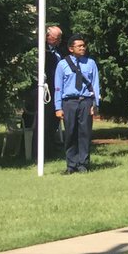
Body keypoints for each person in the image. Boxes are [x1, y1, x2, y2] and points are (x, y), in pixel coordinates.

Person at [53, 34, 101, 174]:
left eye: (83, 46)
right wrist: (58, 107)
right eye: (79, 46)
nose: (82, 48)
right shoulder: (62, 65)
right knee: (70, 133)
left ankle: (83, 164)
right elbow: (58, 87)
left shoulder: (90, 63)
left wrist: (95, 104)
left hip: (85, 101)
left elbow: (95, 84)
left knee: (85, 133)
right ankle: (71, 165)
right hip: (69, 102)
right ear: (71, 48)